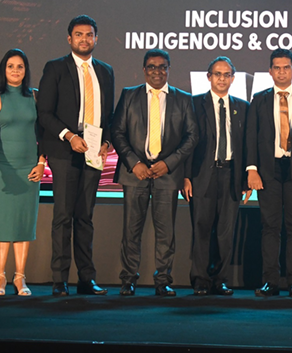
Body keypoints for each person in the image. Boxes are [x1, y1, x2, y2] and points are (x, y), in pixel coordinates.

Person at [37, 15, 114, 297]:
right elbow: (45, 113)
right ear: (69, 38)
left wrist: (106, 142)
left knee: (85, 217)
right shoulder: (55, 68)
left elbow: (109, 115)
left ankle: (86, 279)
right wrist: (69, 136)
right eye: (79, 34)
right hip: (64, 151)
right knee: (63, 217)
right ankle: (59, 280)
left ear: (96, 39)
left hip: (93, 153)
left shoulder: (105, 71)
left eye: (89, 34)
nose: (84, 39)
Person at [111, 49, 198, 296]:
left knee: (166, 233)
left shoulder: (183, 99)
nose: (157, 71)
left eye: (162, 67)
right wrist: (133, 163)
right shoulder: (129, 95)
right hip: (134, 173)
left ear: (169, 69)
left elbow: (192, 136)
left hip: (167, 175)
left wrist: (169, 163)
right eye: (151, 66)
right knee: (131, 231)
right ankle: (128, 280)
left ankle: (163, 281)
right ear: (144, 70)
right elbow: (117, 132)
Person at [246, 48, 292, 298]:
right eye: (276, 68)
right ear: (270, 71)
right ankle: (270, 281)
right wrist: (252, 170)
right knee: (270, 227)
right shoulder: (259, 99)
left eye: (286, 67)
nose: (281, 72)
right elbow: (251, 137)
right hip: (268, 170)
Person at [185, 56, 249, 296]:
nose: (222, 79)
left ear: (233, 78)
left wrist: (245, 180)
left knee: (225, 232)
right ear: (209, 76)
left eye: (226, 75)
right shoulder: (194, 104)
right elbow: (186, 143)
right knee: (201, 229)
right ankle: (201, 280)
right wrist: (186, 176)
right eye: (217, 74)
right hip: (202, 175)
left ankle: (220, 279)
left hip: (231, 175)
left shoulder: (243, 107)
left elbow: (247, 146)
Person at [0, 49, 45, 296]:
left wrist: (41, 162)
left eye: (20, 66)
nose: (15, 70)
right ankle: (0, 277)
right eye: (10, 66)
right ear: (3, 69)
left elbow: (43, 133)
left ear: (26, 70)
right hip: (3, 168)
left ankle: (20, 278)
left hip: (30, 169)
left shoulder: (35, 96)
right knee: (3, 223)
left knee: (24, 223)